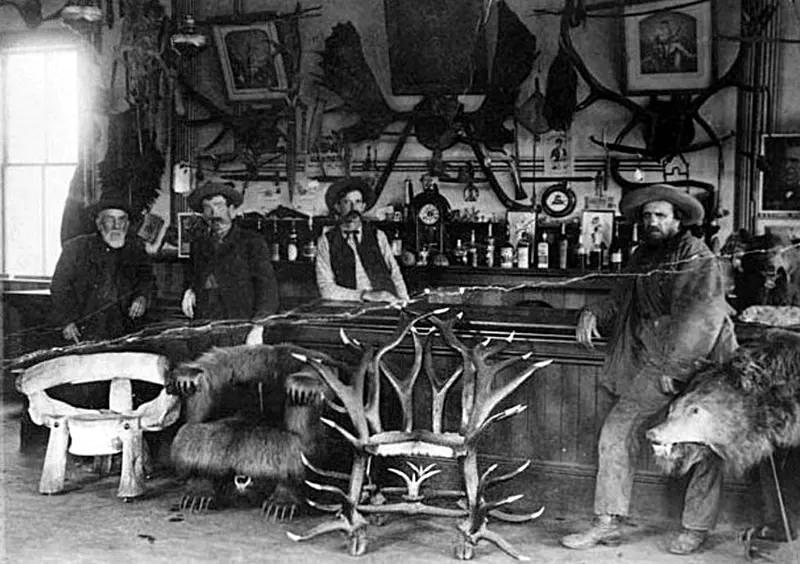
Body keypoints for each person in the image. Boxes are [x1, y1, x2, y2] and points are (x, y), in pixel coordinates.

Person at [560, 184, 737, 555]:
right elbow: (622, 296)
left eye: (660, 215)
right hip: (658, 362)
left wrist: (675, 369)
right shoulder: (643, 255)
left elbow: (701, 319)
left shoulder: (695, 255)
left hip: (702, 364)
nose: (652, 221)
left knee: (704, 444)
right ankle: (607, 523)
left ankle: (696, 528)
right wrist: (593, 312)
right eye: (647, 216)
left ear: (678, 220)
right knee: (616, 430)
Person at [51, 195, 154, 343]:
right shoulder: (76, 248)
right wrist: (67, 322)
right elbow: (59, 287)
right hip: (83, 331)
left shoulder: (136, 250)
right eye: (109, 219)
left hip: (126, 330)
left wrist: (142, 298)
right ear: (99, 223)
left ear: (127, 224)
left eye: (121, 219)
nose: (116, 225)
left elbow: (147, 279)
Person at [181, 181, 278, 321]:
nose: (214, 214)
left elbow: (268, 291)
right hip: (204, 325)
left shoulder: (252, 242)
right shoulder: (199, 244)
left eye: (219, 206)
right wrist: (190, 290)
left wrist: (258, 326)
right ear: (203, 215)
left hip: (239, 325)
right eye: (207, 208)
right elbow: (193, 277)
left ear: (231, 211)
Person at [315, 177, 409, 302]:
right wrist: (364, 295)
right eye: (347, 202)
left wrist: (404, 300)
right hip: (349, 308)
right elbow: (325, 288)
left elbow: (395, 273)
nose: (353, 208)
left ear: (363, 206)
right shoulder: (326, 241)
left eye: (358, 202)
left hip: (386, 304)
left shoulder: (378, 235)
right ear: (337, 207)